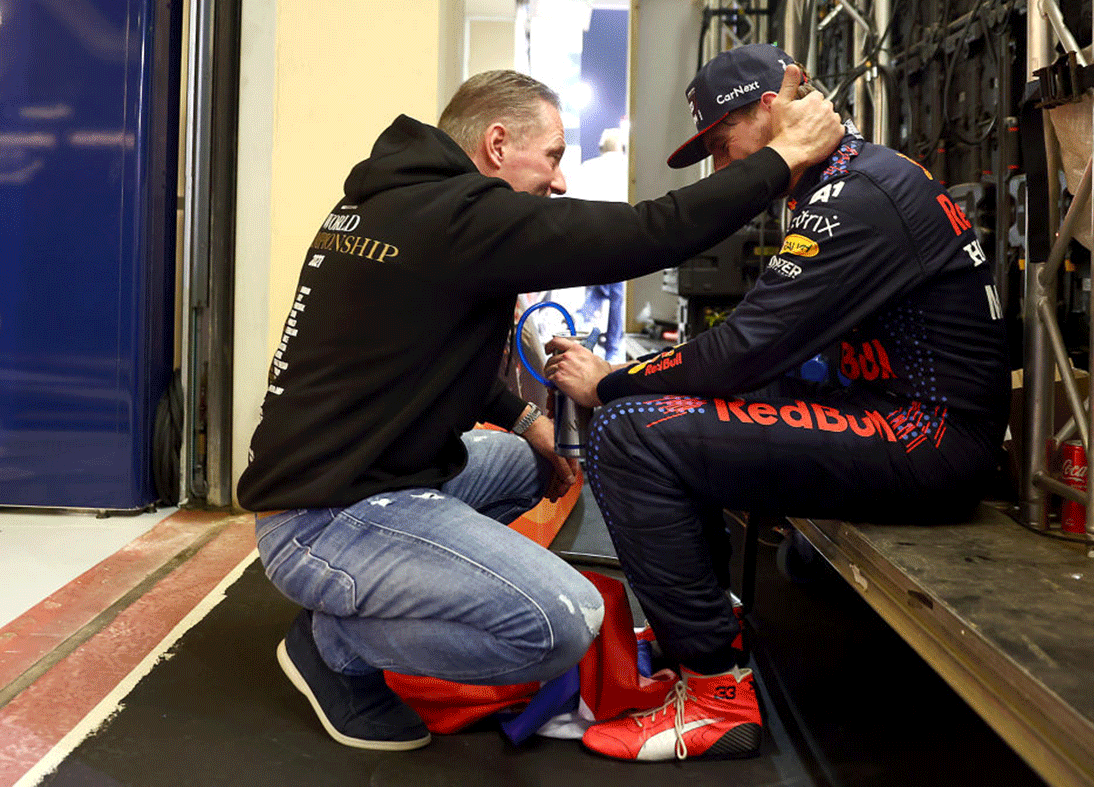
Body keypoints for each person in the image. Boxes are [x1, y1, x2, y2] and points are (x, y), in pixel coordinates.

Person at [236, 67, 844, 752]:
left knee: (522, 463)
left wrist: (528, 419)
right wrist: (783, 158)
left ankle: (388, 589)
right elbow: (649, 232)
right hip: (326, 521)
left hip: (349, 480)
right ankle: (338, 643)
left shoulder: (400, 203)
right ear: (497, 144)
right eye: (552, 156)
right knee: (561, 621)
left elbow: (420, 354)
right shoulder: (459, 216)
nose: (559, 181)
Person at [544, 43, 1011, 762]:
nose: (723, 171)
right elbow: (749, 354)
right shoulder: (839, 181)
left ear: (772, 107)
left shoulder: (856, 194)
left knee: (629, 430)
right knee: (663, 404)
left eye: (724, 148)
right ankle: (696, 625)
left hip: (934, 437)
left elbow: (743, 351)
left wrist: (610, 381)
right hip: (891, 413)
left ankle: (713, 695)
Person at [571, 127, 629, 361]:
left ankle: (582, 326)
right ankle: (613, 347)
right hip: (620, 237)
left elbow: (574, 203)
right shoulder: (627, 167)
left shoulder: (587, 168)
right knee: (616, 296)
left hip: (591, 238)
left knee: (595, 288)